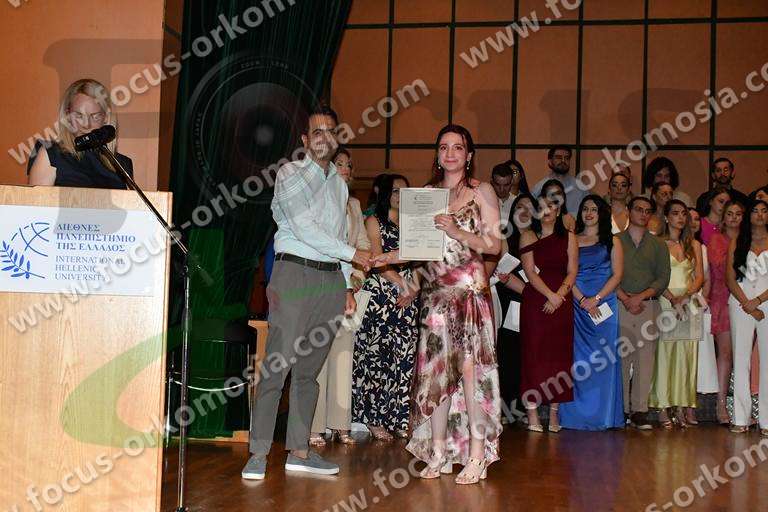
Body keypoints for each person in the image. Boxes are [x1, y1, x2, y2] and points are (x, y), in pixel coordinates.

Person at [242, 105, 371, 480]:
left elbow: (337, 236)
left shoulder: (340, 185)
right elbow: (304, 228)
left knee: (308, 372)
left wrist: (346, 283)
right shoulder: (290, 174)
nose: (324, 137)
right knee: (277, 366)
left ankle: (299, 451)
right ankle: (258, 452)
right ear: (305, 139)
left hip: (330, 280)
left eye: (331, 131)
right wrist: (353, 254)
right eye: (317, 131)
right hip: (295, 275)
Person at [373, 124, 502, 485]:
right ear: (438, 154)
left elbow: (495, 246)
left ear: (469, 154)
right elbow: (416, 248)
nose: (450, 153)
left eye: (458, 147)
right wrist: (385, 258)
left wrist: (457, 231)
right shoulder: (427, 195)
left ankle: (476, 454)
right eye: (444, 147)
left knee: (471, 374)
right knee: (436, 375)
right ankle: (439, 452)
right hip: (435, 296)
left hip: (469, 293)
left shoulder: (482, 191)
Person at [310, 147, 371, 447]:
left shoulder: (355, 204)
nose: (346, 168)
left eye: (349, 164)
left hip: (350, 287)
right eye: (340, 163)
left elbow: (363, 245)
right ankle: (314, 426)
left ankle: (340, 424)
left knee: (344, 356)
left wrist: (357, 277)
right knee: (317, 357)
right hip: (321, 284)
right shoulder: (318, 199)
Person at [352, 174, 420, 441]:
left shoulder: (414, 223)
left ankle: (399, 417)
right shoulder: (374, 221)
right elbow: (377, 259)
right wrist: (403, 284)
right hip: (382, 293)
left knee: (404, 358)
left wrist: (414, 287)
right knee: (376, 359)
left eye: (404, 191)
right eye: (395, 191)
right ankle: (373, 419)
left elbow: (422, 260)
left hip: (409, 294)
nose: (400, 196)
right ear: (384, 194)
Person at [559, 195, 625, 430]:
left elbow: (617, 275)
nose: (589, 213)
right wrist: (581, 299)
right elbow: (567, 274)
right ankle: (575, 416)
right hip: (577, 305)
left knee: (603, 361)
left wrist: (595, 299)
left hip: (604, 305)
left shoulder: (612, 241)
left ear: (602, 214)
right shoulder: (572, 239)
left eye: (594, 209)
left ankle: (603, 416)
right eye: (585, 208)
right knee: (577, 360)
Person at [519, 183, 578, 432]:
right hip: (536, 301)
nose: (546, 210)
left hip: (561, 302)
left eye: (551, 206)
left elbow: (572, 271)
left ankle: (554, 414)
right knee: (533, 356)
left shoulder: (569, 236)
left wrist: (559, 296)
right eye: (541, 206)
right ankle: (532, 413)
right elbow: (530, 272)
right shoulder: (527, 235)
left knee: (559, 357)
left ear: (559, 209)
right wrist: (550, 296)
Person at [616, 196, 671, 429]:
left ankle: (639, 410)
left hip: (648, 304)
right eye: (638, 209)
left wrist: (639, 297)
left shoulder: (658, 244)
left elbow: (663, 278)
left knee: (645, 359)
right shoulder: (615, 241)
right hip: (620, 303)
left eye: (648, 211)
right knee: (620, 358)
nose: (643, 214)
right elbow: (608, 273)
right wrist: (625, 298)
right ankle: (620, 409)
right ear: (628, 211)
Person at [648, 200, 704, 428]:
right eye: (675, 213)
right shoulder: (658, 243)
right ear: (666, 217)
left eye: (683, 214)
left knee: (687, 355)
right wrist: (673, 299)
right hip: (666, 300)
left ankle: (681, 406)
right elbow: (654, 276)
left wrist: (686, 297)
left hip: (689, 302)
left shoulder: (694, 244)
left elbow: (699, 276)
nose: (680, 218)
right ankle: (662, 407)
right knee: (664, 354)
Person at [28, 79, 133, 188]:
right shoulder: (52, 155)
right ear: (67, 116)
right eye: (79, 115)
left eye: (95, 116)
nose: (86, 125)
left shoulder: (122, 165)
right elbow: (37, 199)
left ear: (106, 117)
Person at [726, 199, 768, 437]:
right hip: (740, 303)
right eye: (755, 211)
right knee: (740, 358)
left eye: (764, 211)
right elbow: (730, 279)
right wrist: (748, 304)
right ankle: (740, 417)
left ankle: (766, 420)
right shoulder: (738, 241)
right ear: (748, 216)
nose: (760, 215)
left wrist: (758, 301)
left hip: (766, 302)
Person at [494, 194, 535, 423]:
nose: (524, 212)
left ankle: (524, 407)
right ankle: (506, 407)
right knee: (508, 355)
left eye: (530, 207)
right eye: (520, 207)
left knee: (529, 357)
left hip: (535, 302)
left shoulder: (539, 237)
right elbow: (497, 270)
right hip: (509, 302)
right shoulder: (504, 236)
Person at [708, 200, 745, 424]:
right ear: (723, 217)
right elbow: (721, 269)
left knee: (743, 355)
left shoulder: (749, 240)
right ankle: (721, 404)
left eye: (738, 214)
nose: (733, 218)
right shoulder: (717, 239)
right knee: (726, 353)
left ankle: (742, 405)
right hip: (722, 299)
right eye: (729, 213)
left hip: (747, 299)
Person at [688, 207, 719, 424]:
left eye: (697, 219)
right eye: (688, 218)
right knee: (682, 357)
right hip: (677, 304)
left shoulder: (702, 248)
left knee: (698, 359)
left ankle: (691, 408)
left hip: (697, 303)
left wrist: (702, 299)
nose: (693, 222)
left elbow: (706, 278)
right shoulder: (672, 245)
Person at [532, 145, 589, 215]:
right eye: (558, 157)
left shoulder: (580, 187)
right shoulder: (539, 187)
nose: (563, 161)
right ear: (550, 161)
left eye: (567, 158)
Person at [491, 159, 530, 230]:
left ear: (511, 182)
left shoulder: (517, 204)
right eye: (498, 185)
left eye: (506, 185)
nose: (502, 189)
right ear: (492, 182)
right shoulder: (484, 201)